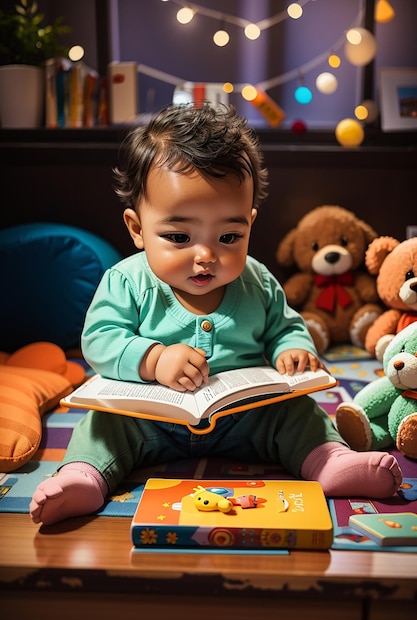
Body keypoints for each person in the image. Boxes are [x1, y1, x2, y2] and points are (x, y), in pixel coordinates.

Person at [30, 104, 401, 525]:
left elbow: (285, 324)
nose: (206, 256)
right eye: (178, 236)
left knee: (296, 414)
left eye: (229, 236)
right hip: (148, 419)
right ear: (137, 228)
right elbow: (98, 339)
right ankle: (84, 476)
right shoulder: (126, 281)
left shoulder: (257, 281)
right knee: (101, 427)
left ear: (250, 224)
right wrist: (153, 359)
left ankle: (329, 460)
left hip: (246, 420)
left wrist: (292, 347)